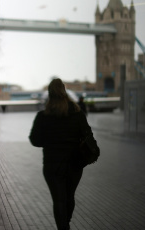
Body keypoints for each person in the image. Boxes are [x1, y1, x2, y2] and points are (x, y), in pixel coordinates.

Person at [29, 78, 93, 230]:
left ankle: (63, 227)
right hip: (74, 162)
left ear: (50, 95)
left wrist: (50, 141)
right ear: (64, 92)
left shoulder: (43, 116)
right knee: (69, 196)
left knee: (58, 200)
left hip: (52, 164)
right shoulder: (77, 113)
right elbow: (87, 135)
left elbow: (34, 140)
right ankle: (66, 223)